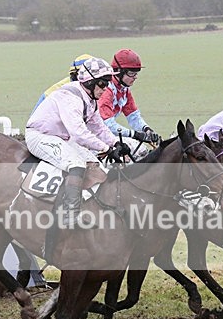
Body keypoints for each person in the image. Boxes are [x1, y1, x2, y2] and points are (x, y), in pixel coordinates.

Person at [26, 57, 130, 226]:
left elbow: (99, 128)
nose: (106, 89)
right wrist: (107, 149)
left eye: (108, 83)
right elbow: (79, 133)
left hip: (61, 137)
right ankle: (70, 215)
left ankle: (89, 207)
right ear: (90, 82)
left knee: (96, 165)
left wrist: (115, 144)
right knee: (77, 165)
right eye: (103, 84)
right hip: (39, 136)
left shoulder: (90, 99)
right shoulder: (70, 97)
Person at [98, 48, 161, 148]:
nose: (135, 77)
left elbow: (133, 116)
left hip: (103, 134)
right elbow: (108, 125)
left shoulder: (124, 90)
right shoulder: (106, 91)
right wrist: (134, 134)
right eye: (131, 74)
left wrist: (147, 129)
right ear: (118, 71)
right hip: (91, 136)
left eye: (136, 73)